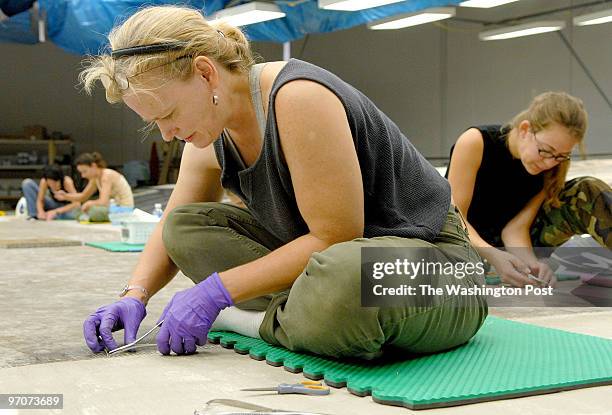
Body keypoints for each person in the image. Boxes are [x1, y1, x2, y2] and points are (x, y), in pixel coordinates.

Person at [80, 5, 487, 358]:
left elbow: (336, 238)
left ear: (205, 74)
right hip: (326, 268)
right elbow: (171, 229)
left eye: (168, 115)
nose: (166, 133)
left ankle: (252, 323)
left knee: (346, 279)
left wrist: (217, 294)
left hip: (434, 268)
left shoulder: (297, 97)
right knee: (183, 228)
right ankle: (308, 319)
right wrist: (135, 295)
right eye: (155, 123)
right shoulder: (207, 131)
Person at [446, 92, 611, 288]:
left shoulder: (552, 164)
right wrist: (492, 254)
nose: (550, 162)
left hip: (508, 242)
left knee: (587, 189)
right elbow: (454, 219)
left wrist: (532, 264)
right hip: (464, 239)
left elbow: (515, 229)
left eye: (561, 156)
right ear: (525, 129)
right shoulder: (476, 141)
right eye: (545, 151)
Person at [55, 152, 134, 222]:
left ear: (93, 166)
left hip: (124, 209)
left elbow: (103, 202)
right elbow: (83, 196)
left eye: (85, 171)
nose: (83, 175)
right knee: (78, 211)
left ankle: (87, 217)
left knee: (93, 211)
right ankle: (87, 217)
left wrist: (90, 203)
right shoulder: (95, 178)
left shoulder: (106, 176)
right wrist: (65, 196)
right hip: (113, 207)